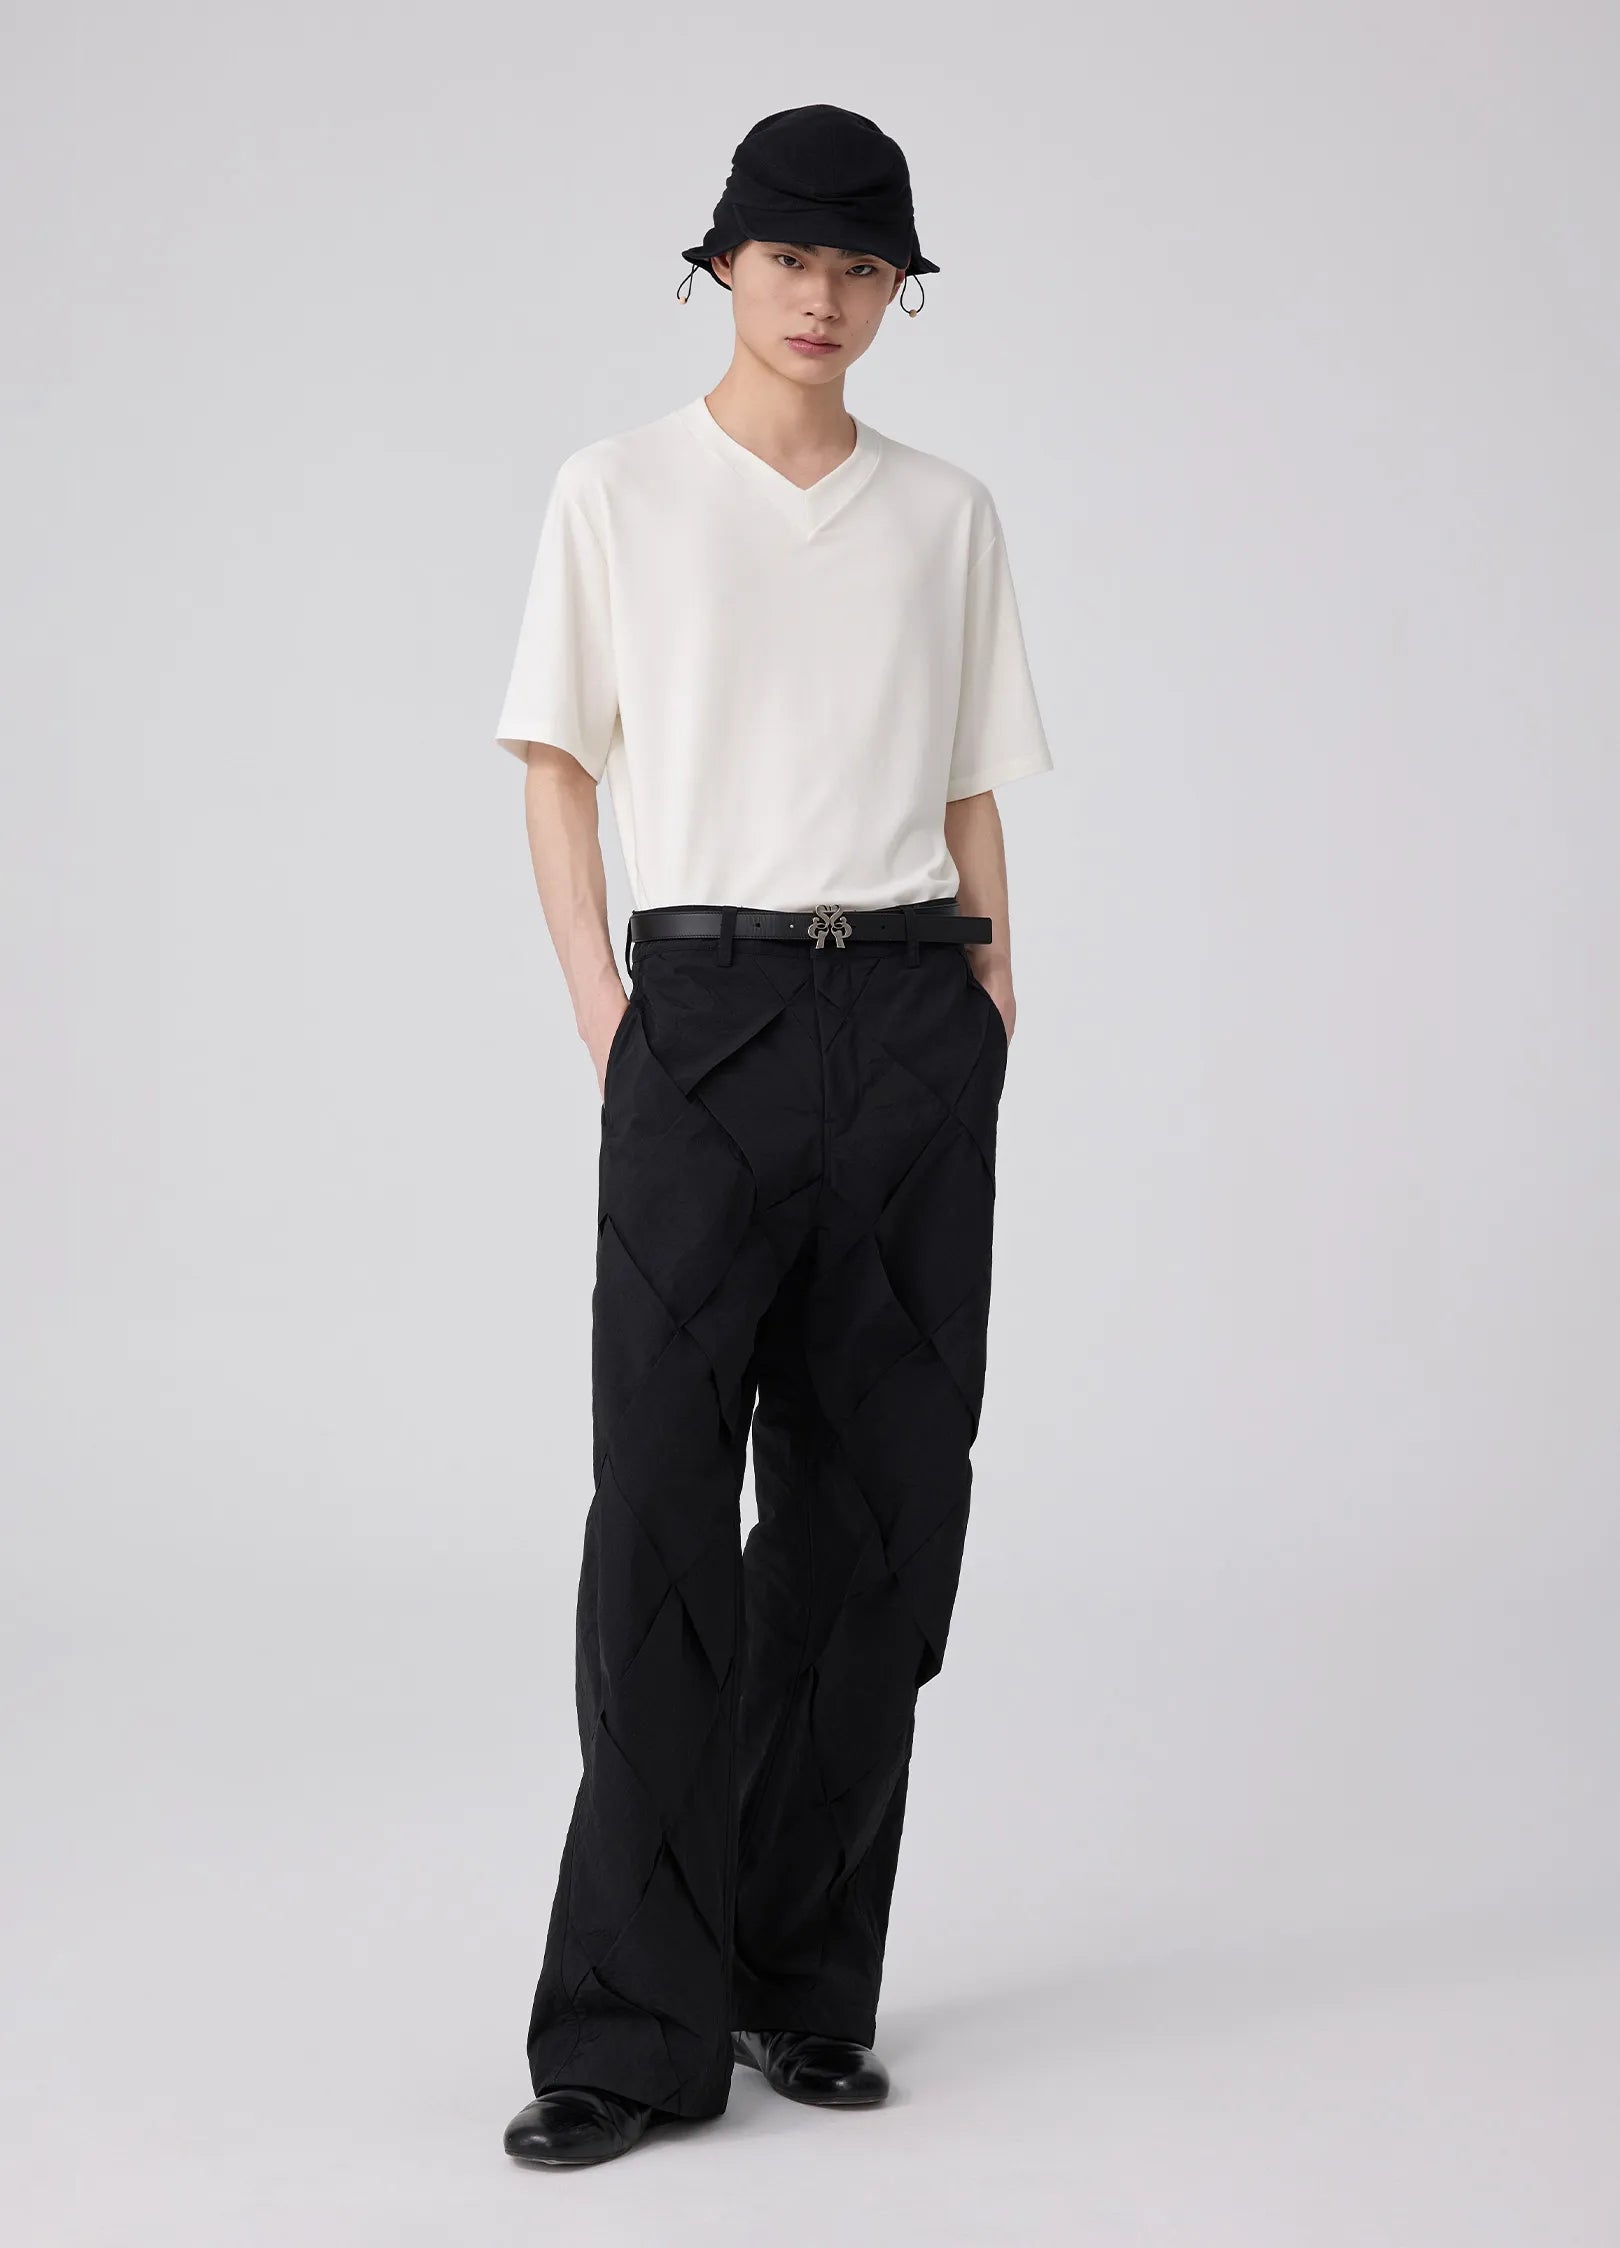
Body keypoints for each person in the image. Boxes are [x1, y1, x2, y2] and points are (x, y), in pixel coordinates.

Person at [492, 104, 1053, 2168]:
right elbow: (557, 760)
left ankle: (800, 1978)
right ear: (720, 265)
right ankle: (625, 2030)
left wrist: (994, 1001)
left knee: (874, 1518)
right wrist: (604, 1002)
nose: (824, 297)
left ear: (899, 290)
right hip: (706, 1012)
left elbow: (975, 779)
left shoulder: (947, 514)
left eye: (863, 266)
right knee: (658, 1517)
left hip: (910, 1009)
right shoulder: (617, 492)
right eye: (790, 256)